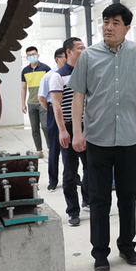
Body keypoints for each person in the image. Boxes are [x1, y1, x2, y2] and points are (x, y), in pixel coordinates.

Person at [70, 3, 136, 271]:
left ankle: (127, 246)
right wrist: (77, 132)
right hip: (97, 139)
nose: (108, 27)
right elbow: (78, 96)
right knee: (99, 199)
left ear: (127, 28)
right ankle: (100, 253)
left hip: (130, 139)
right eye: (106, 21)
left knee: (128, 195)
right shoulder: (88, 56)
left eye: (115, 22)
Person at [49, 37, 89, 228]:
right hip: (69, 127)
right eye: (79, 48)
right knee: (70, 172)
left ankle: (88, 201)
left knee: (91, 167)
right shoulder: (58, 76)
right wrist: (63, 130)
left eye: (84, 47)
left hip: (88, 127)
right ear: (68, 52)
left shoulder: (87, 72)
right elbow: (56, 106)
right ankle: (73, 211)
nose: (83, 50)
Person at [38, 48, 67, 192]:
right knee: (54, 148)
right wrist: (52, 109)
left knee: (69, 148)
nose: (67, 59)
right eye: (64, 57)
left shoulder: (72, 73)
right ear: (57, 59)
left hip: (69, 111)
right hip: (53, 111)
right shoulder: (49, 76)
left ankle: (74, 178)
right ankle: (53, 180)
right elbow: (42, 98)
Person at [21, 46, 51, 158]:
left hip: (43, 102)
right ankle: (39, 150)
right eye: (29, 55)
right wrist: (23, 103)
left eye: (33, 54)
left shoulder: (46, 68)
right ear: (26, 57)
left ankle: (50, 148)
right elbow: (23, 88)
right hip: (31, 103)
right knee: (34, 128)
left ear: (38, 55)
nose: (31, 56)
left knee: (45, 126)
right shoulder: (25, 71)